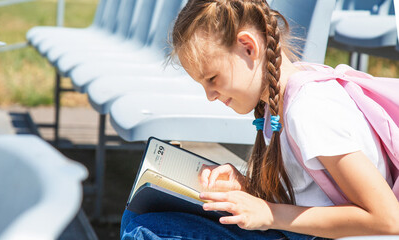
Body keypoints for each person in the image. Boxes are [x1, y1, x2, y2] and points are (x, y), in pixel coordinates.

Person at [120, 0, 399, 239]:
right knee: (139, 214)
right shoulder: (278, 103)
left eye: (213, 79)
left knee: (146, 231)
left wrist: (269, 213)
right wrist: (246, 187)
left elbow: (387, 218)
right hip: (302, 230)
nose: (210, 95)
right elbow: (311, 194)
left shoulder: (309, 109)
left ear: (248, 47)